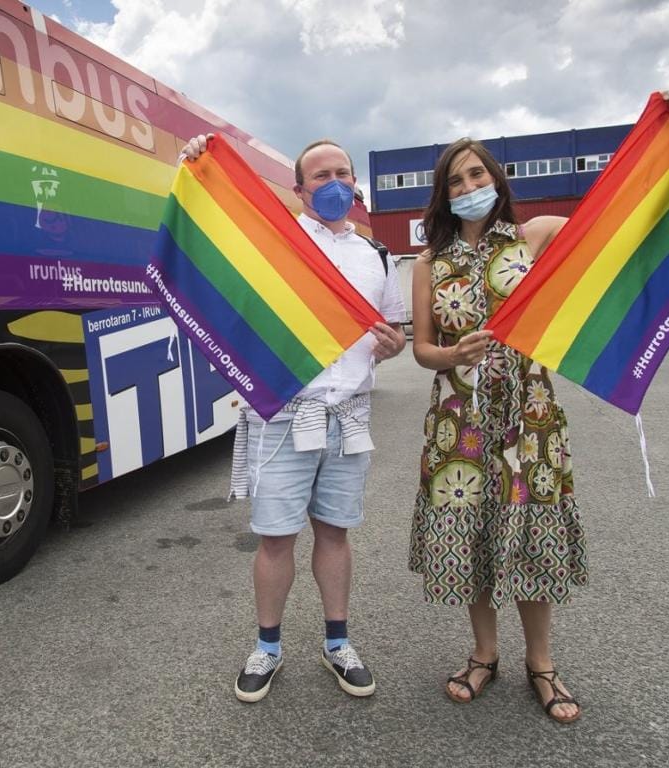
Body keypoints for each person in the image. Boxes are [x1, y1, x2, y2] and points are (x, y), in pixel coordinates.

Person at [407, 92, 669, 724]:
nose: (469, 186)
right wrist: (453, 353)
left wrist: (666, 133)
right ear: (443, 193)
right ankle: (484, 655)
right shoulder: (431, 263)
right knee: (474, 538)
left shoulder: (536, 236)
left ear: (496, 178)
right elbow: (422, 350)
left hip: (529, 413)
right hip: (458, 419)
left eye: (477, 173)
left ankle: (542, 663)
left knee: (532, 537)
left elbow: (617, 227)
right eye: (456, 180)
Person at [181, 134, 407, 703]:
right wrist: (196, 166)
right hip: (283, 415)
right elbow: (215, 237)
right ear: (299, 189)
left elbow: (396, 332)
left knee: (335, 533)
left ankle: (338, 642)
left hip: (348, 416)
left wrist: (390, 345)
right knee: (276, 539)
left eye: (343, 173)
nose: (334, 184)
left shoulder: (378, 256)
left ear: (356, 183)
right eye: (321, 175)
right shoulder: (273, 244)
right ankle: (268, 647)